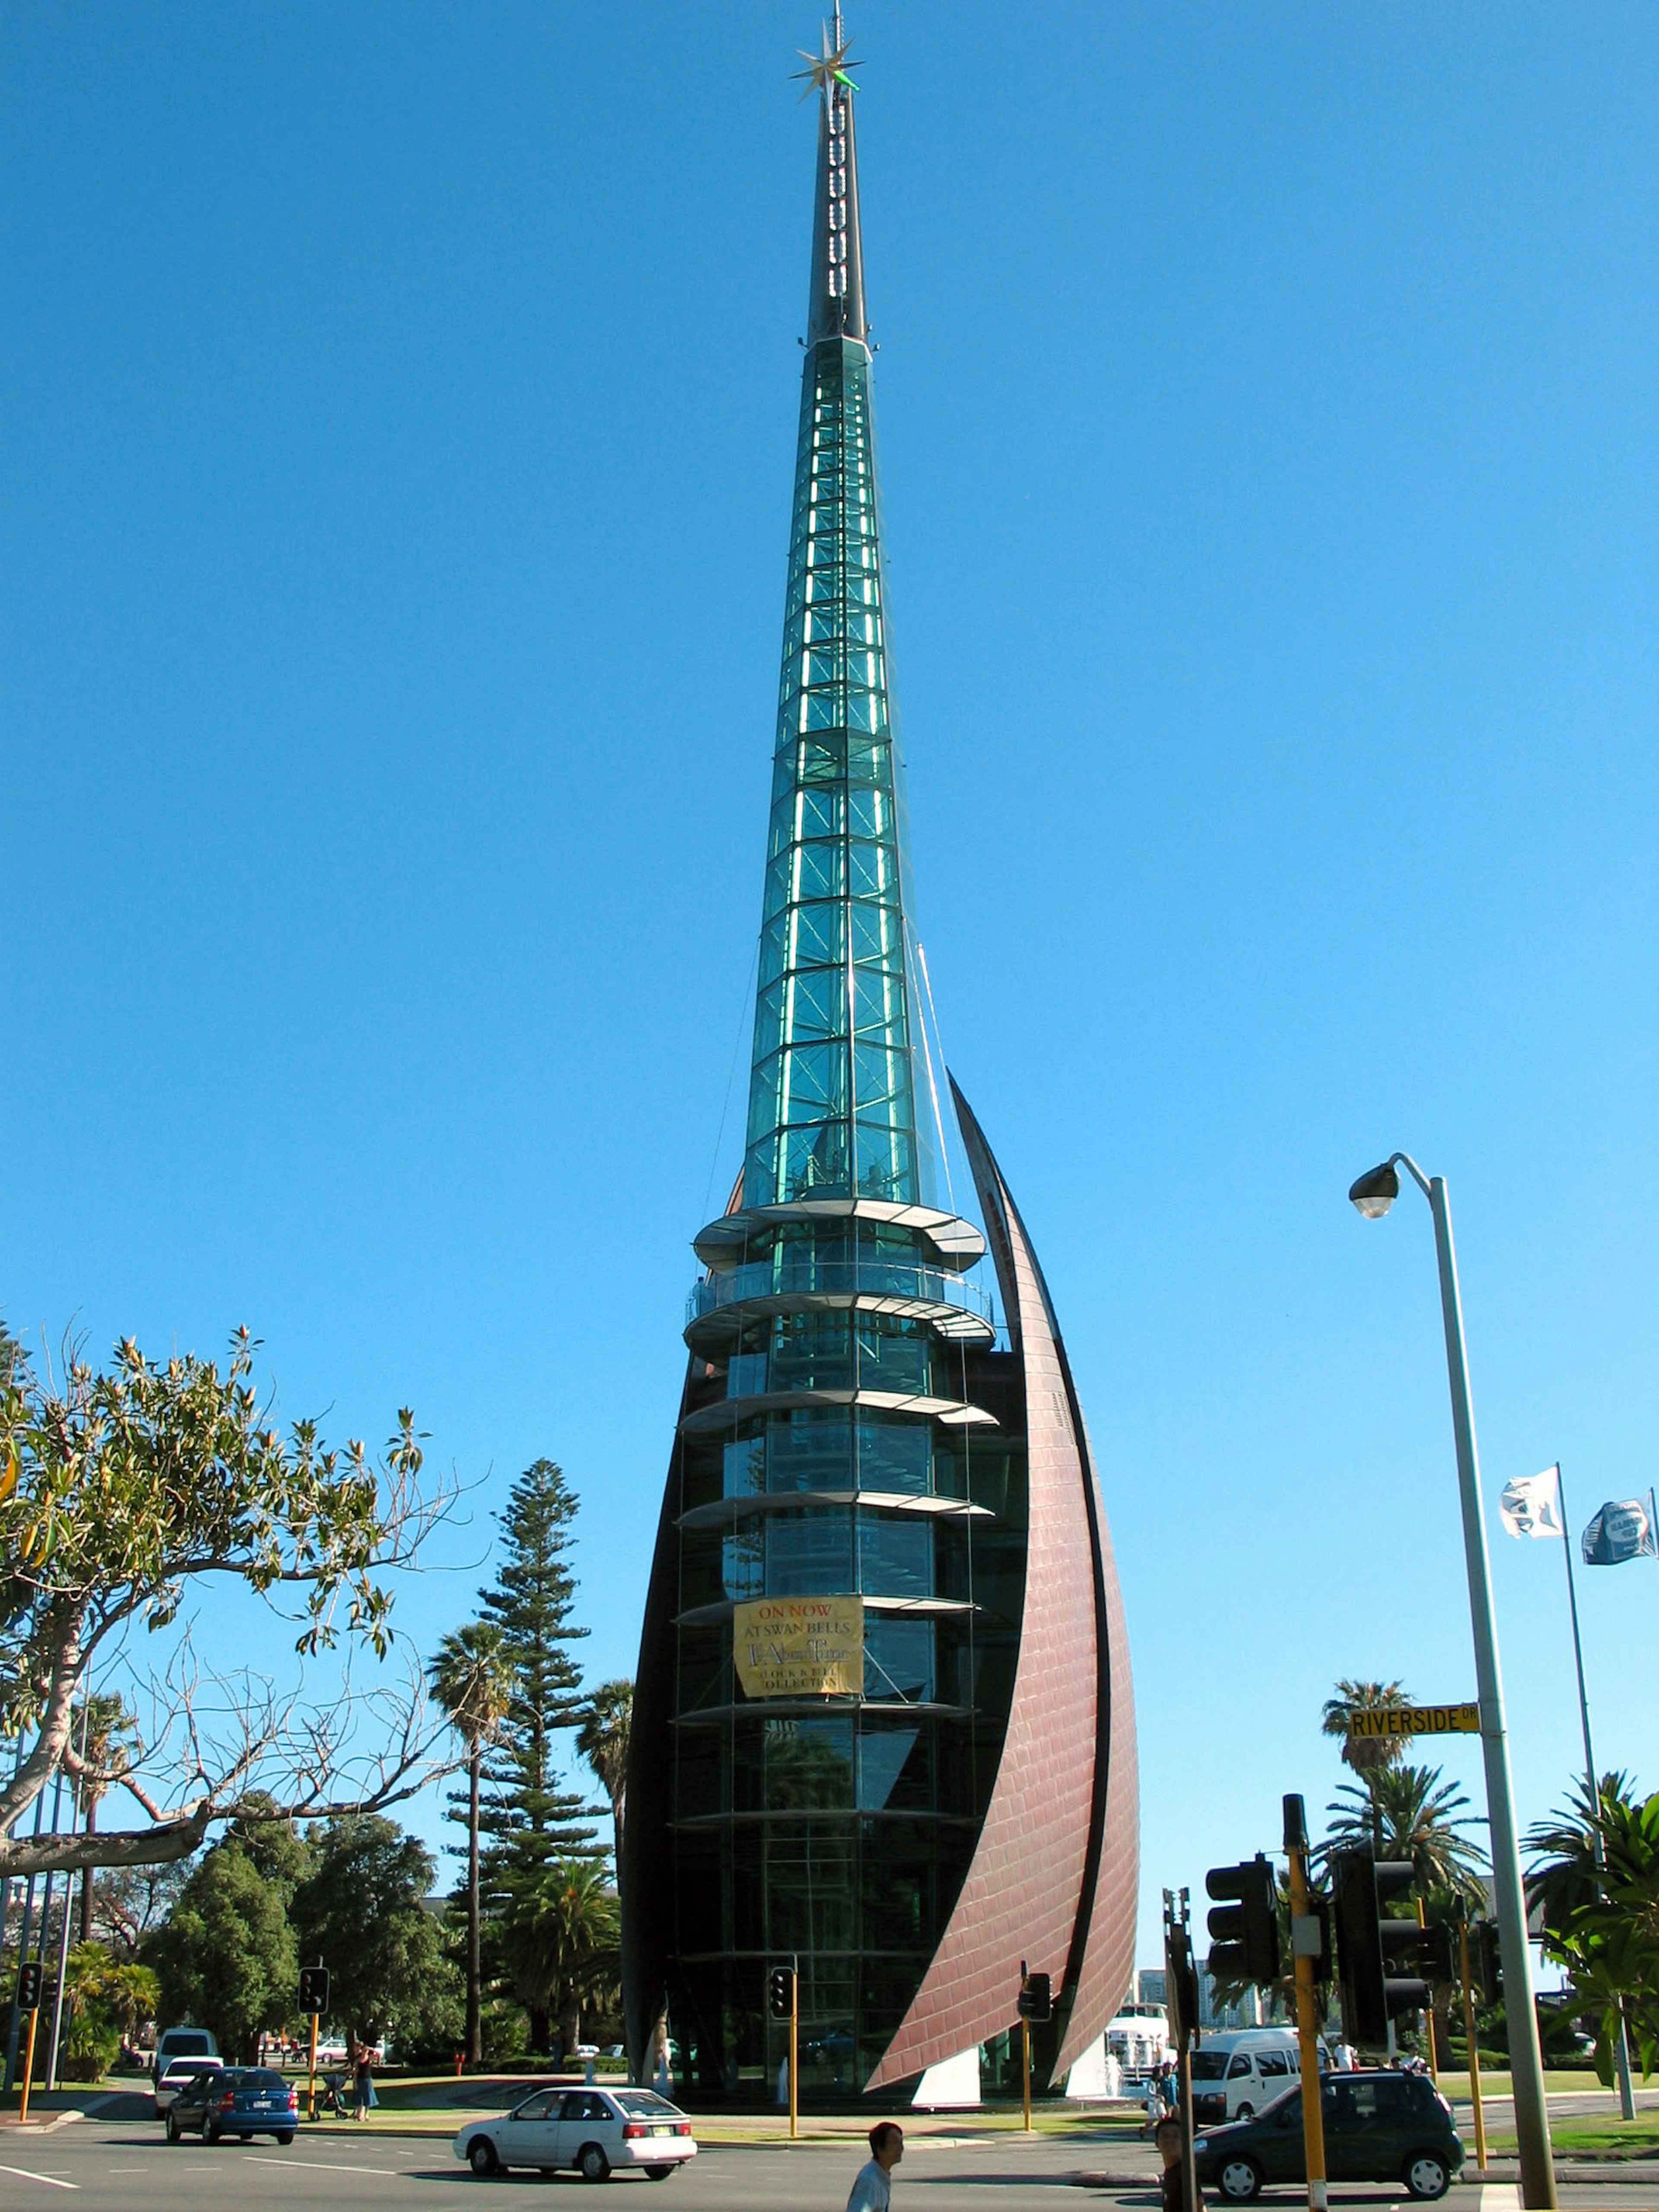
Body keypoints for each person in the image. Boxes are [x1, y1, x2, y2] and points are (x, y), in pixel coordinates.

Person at [845, 2120, 904, 2211]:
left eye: (901, 2143)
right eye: (895, 2143)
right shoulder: (869, 2181)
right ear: (880, 2149)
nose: (901, 2148)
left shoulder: (881, 2176)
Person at [1154, 2112, 1205, 2211]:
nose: (1169, 2141)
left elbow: (1200, 2206)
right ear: (1157, 2143)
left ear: (1185, 2143)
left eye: (1176, 2136)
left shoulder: (1186, 2173)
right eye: (1165, 2136)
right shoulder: (1170, 2172)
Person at [353, 2039, 377, 2121]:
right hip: (360, 2079)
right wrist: (355, 2082)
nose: (365, 2052)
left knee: (368, 2097)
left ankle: (366, 2115)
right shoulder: (358, 2060)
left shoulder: (369, 2059)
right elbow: (355, 2071)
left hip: (367, 2080)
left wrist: (370, 2049)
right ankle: (359, 2115)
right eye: (364, 2050)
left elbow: (378, 2055)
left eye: (366, 2051)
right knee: (359, 2097)